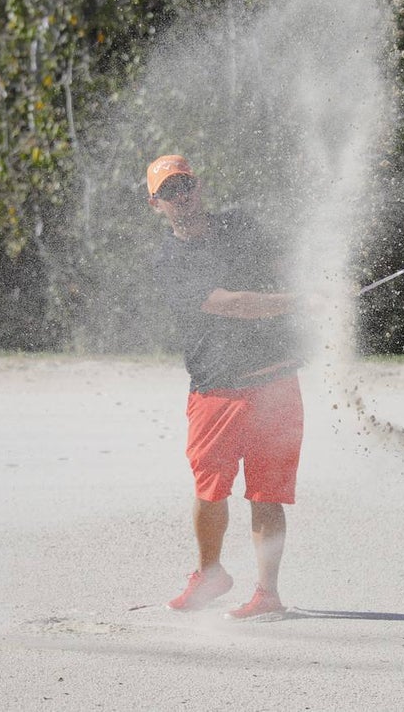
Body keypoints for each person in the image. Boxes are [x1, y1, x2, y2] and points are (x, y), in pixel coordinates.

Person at [146, 154, 306, 621]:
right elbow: (232, 305)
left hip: (276, 381)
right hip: (217, 389)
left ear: (199, 185)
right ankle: (210, 571)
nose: (182, 198)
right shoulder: (169, 261)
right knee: (210, 489)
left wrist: (317, 288)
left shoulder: (242, 226)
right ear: (156, 203)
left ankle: (267, 593)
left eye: (187, 186)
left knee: (267, 493)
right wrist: (299, 302)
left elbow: (281, 264)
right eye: (170, 192)